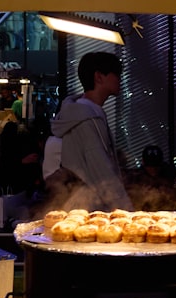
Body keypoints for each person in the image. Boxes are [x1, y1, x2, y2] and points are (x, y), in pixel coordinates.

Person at [50, 51, 132, 211]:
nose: (120, 79)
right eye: (116, 73)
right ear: (99, 77)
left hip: (81, 205)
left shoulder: (83, 112)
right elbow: (101, 170)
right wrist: (126, 211)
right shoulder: (87, 117)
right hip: (89, 209)